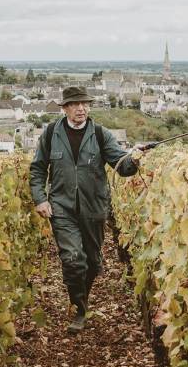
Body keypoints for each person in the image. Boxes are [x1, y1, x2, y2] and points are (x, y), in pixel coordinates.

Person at [30, 86, 143, 333]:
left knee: (92, 262)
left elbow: (122, 167)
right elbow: (38, 169)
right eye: (75, 104)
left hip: (94, 208)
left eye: (84, 104)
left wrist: (134, 158)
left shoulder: (101, 135)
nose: (81, 108)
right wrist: (40, 199)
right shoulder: (50, 134)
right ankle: (79, 309)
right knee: (72, 260)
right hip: (62, 208)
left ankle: (83, 297)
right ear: (65, 108)